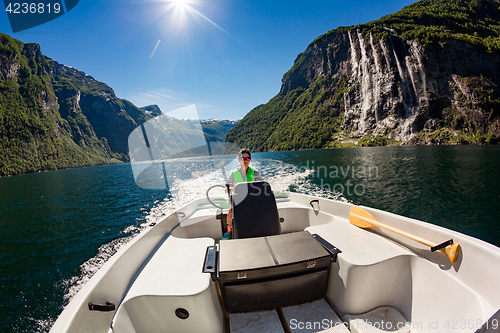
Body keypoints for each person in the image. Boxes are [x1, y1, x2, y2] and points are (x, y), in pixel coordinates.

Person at [222, 149, 261, 239]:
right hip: (238, 199)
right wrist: (236, 188)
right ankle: (229, 230)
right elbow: (226, 189)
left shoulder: (255, 173)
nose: (245, 160)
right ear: (239, 160)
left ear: (250, 160)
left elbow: (260, 188)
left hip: (252, 199)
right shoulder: (233, 174)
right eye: (243, 158)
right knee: (231, 210)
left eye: (247, 158)